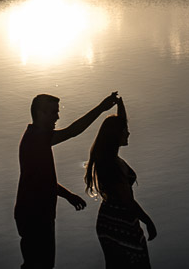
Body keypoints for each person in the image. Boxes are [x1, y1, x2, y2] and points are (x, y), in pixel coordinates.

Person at [15, 90, 120, 269]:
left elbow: (42, 180)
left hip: (37, 214)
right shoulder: (36, 139)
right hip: (35, 216)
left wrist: (69, 195)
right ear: (40, 113)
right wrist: (102, 108)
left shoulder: (36, 137)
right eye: (54, 112)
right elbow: (72, 131)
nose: (57, 117)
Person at [84, 96, 157, 268]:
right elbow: (128, 201)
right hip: (117, 223)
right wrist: (148, 222)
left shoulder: (110, 156)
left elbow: (120, 124)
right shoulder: (111, 165)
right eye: (124, 130)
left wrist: (120, 105)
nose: (128, 132)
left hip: (115, 219)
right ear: (116, 135)